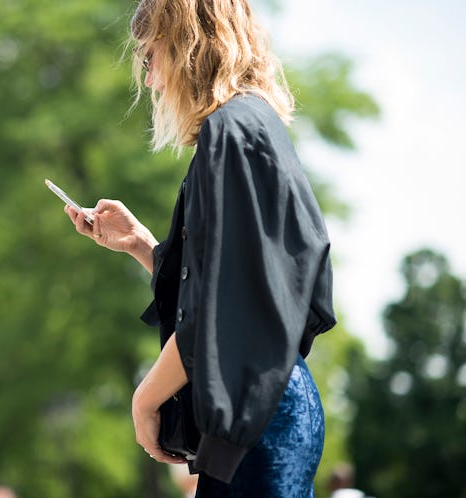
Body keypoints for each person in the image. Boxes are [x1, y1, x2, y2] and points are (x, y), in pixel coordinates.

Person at [64, 0, 336, 495]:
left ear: (185, 44)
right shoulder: (253, 125)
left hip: (257, 415)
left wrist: (145, 398)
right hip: (273, 402)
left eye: (150, 58)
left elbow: (224, 306)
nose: (150, 80)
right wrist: (144, 246)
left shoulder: (229, 132)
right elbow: (242, 280)